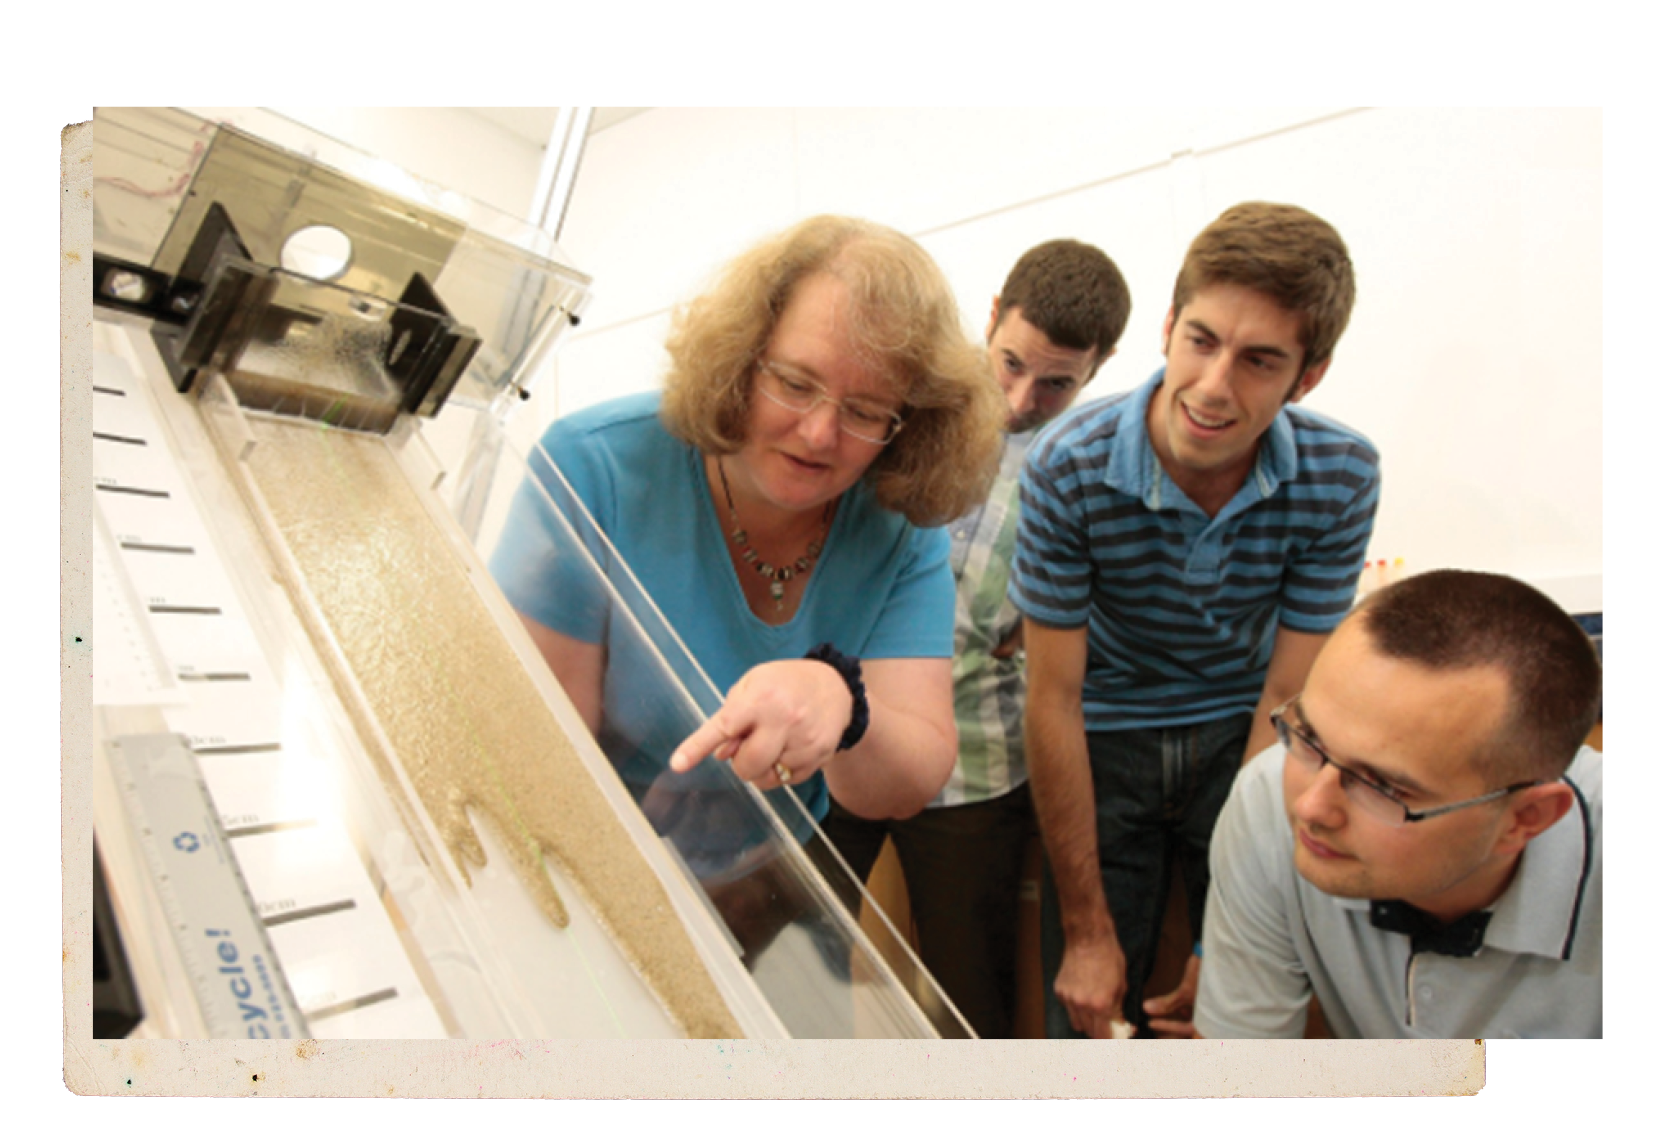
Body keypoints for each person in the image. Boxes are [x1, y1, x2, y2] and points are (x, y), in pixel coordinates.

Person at [488, 215, 1006, 895]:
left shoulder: (899, 526)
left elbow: (900, 786)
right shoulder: (595, 468)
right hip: (592, 859)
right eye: (793, 383)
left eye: (866, 410)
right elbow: (536, 751)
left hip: (768, 878)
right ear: (740, 359)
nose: (820, 433)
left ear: (909, 422)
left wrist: (842, 701)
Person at [1009, 202, 1380, 1039]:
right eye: (1201, 341)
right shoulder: (1066, 466)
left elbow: (1289, 690)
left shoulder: (1342, 474)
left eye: (1258, 361)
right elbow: (1053, 699)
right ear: (1169, 326)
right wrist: (1086, 932)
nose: (1213, 388)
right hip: (1102, 731)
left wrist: (1226, 943)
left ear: (1306, 376)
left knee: (1245, 1009)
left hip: (1243, 732)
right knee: (1086, 1012)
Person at [819, 240, 1131, 1038]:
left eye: (1057, 382)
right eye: (1011, 363)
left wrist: (1048, 618)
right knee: (795, 947)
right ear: (990, 316)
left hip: (979, 761)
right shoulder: (910, 399)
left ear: (1096, 370)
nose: (1022, 398)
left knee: (971, 998)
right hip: (849, 723)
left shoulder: (1087, 464)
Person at [1190, 569, 1602, 1038]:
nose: (1311, 808)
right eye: (1309, 737)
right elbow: (1241, 1077)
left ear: (1525, 819)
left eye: (1383, 787)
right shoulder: (1268, 797)